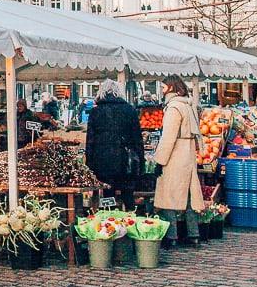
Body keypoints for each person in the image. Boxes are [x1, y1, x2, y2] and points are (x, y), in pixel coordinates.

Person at [153, 76, 206, 249]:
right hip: (188, 154)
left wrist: (160, 161)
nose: (161, 90)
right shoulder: (188, 105)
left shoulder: (174, 108)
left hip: (175, 155)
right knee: (189, 195)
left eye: (163, 87)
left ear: (170, 88)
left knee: (168, 194)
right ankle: (193, 234)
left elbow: (168, 137)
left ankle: (171, 235)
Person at [85, 79, 144, 210]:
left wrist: (89, 165)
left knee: (108, 194)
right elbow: (137, 140)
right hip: (126, 163)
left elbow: (90, 141)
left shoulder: (96, 112)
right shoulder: (130, 110)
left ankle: (109, 221)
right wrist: (141, 162)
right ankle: (130, 221)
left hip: (103, 162)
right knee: (128, 195)